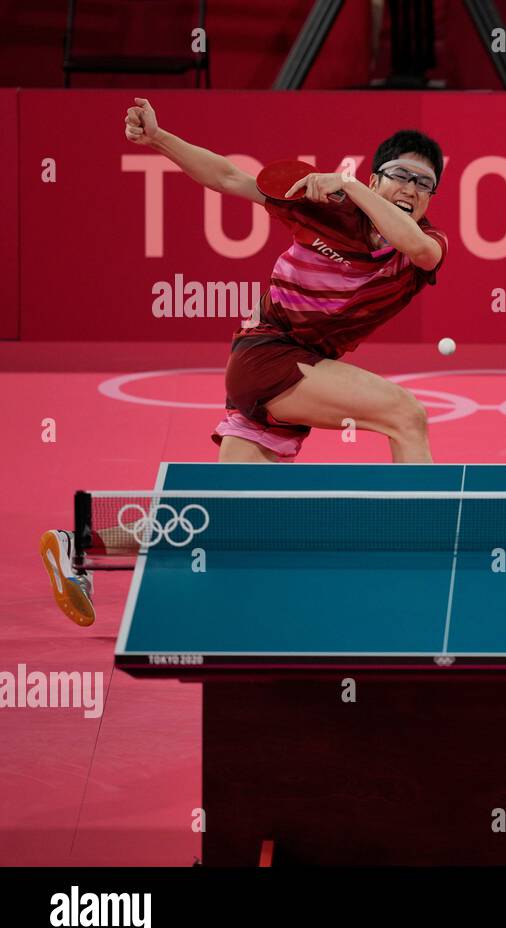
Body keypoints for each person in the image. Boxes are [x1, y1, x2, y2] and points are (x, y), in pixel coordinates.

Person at [40, 97, 449, 627]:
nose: (411, 190)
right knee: (405, 414)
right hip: (269, 354)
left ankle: (79, 545)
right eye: (400, 176)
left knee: (224, 518)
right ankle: (427, 563)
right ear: (376, 179)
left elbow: (412, 242)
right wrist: (160, 139)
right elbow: (228, 177)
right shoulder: (317, 207)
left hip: (291, 374)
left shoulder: (427, 245)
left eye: (424, 184)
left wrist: (345, 182)